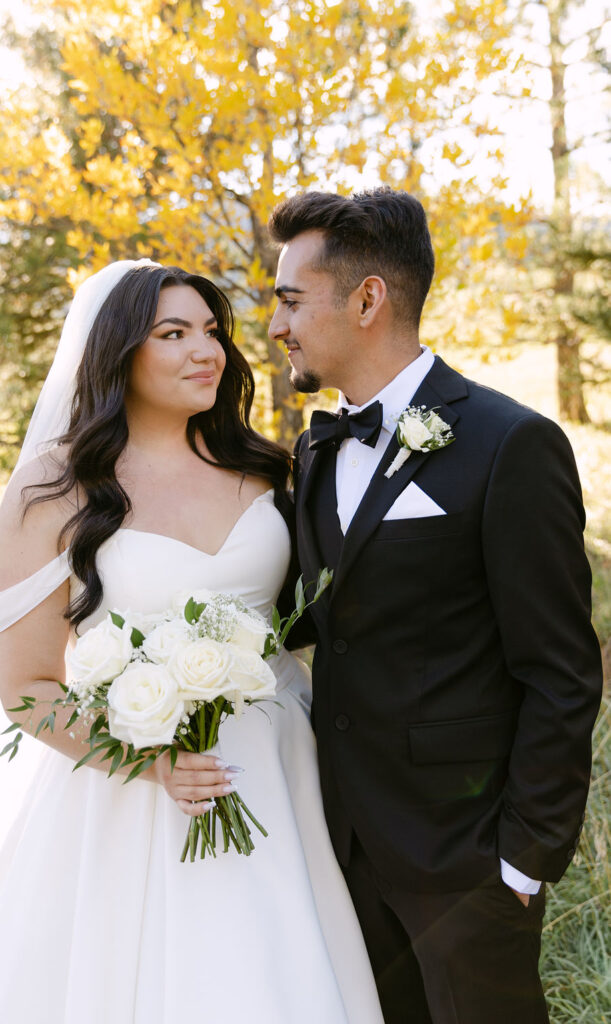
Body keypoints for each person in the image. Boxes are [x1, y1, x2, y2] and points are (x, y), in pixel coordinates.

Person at [0, 260, 384, 1023]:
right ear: (116, 354)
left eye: (211, 331)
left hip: (275, 772)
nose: (206, 350)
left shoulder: (265, 468)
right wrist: (154, 762)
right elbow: (28, 687)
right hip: (126, 798)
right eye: (172, 333)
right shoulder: (55, 491)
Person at [267, 187, 603, 1024]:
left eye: (290, 300)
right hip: (341, 846)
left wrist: (522, 861)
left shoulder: (508, 443)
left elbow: (561, 671)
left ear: (368, 299)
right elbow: (315, 620)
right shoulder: (315, 447)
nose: (277, 326)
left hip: (466, 860)